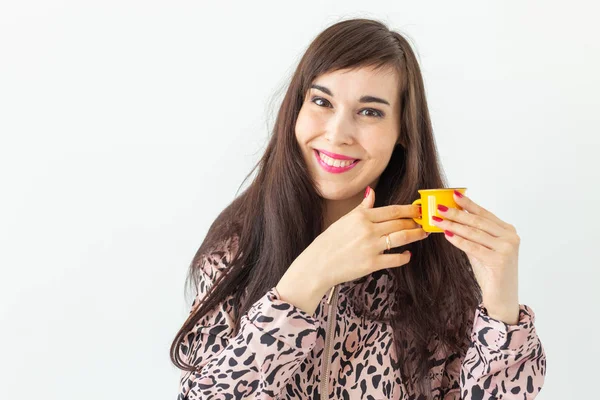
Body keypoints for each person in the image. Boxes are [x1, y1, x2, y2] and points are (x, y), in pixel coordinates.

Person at [170, 18, 546, 400]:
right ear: (295, 111)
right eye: (321, 101)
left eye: (370, 112)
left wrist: (502, 309)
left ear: (403, 132)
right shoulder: (237, 248)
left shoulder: (436, 262)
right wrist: (303, 283)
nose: (337, 133)